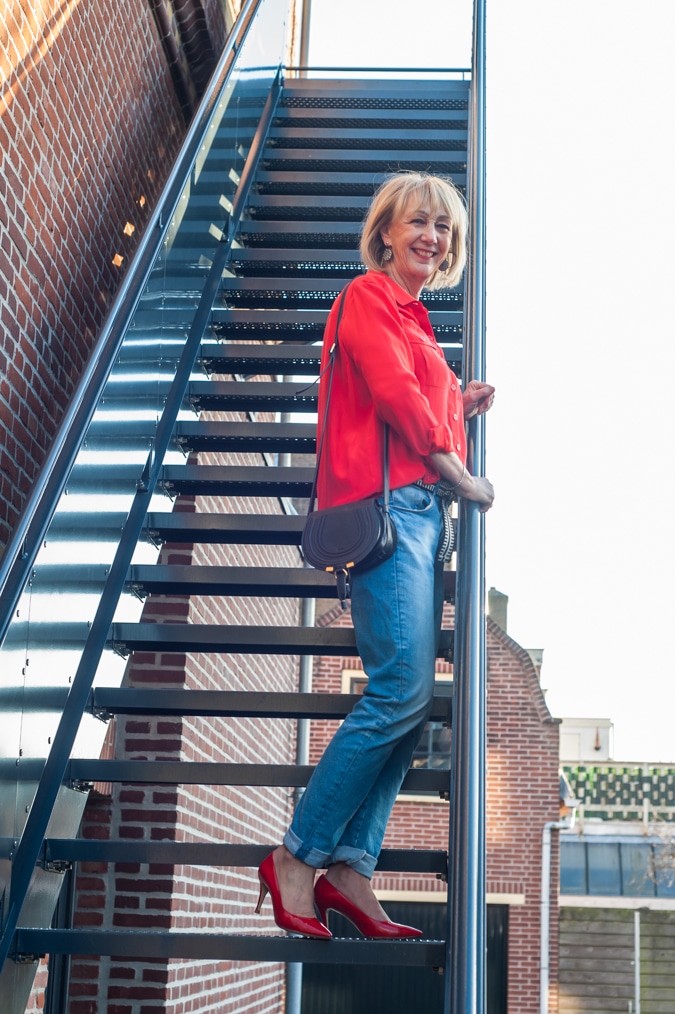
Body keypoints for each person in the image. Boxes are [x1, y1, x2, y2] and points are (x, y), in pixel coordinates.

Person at [255, 171, 495, 939]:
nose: (431, 236)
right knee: (396, 692)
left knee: (411, 699)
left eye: (443, 228)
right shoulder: (368, 297)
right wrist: (460, 473)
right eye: (417, 221)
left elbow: (410, 398)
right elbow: (392, 395)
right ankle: (296, 857)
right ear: (385, 232)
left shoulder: (415, 321)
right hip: (391, 514)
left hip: (416, 516)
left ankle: (351, 868)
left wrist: (457, 403)